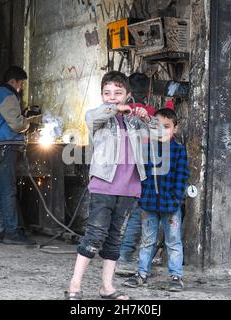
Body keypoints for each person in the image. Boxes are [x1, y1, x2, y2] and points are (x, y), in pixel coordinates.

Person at [65, 71, 164, 300]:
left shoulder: (135, 121)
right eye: (107, 93)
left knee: (115, 239)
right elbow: (94, 117)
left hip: (129, 189)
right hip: (103, 187)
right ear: (101, 95)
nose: (112, 97)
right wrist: (115, 108)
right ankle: (74, 285)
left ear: (128, 95)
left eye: (118, 93)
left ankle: (106, 288)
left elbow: (161, 133)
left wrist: (147, 118)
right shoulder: (98, 117)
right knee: (94, 236)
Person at [123, 108, 189, 292]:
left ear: (175, 129)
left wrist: (176, 197)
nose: (161, 130)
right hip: (149, 203)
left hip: (170, 206)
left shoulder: (179, 151)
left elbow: (182, 177)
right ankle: (142, 273)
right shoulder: (147, 149)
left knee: (173, 241)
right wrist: (141, 196)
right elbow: (140, 174)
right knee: (147, 240)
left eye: (167, 127)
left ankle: (176, 276)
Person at [116, 73, 175, 276]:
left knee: (122, 213)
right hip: (143, 170)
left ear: (128, 92)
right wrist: (170, 102)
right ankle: (124, 256)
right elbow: (165, 126)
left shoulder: (120, 112)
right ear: (149, 92)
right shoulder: (149, 113)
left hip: (121, 169)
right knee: (138, 214)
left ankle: (120, 255)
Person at [0, 66, 40, 245]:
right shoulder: (7, 94)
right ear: (13, 81)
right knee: (9, 190)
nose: (21, 87)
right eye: (21, 83)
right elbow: (16, 124)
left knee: (0, 189)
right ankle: (11, 233)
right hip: (6, 144)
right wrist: (29, 124)